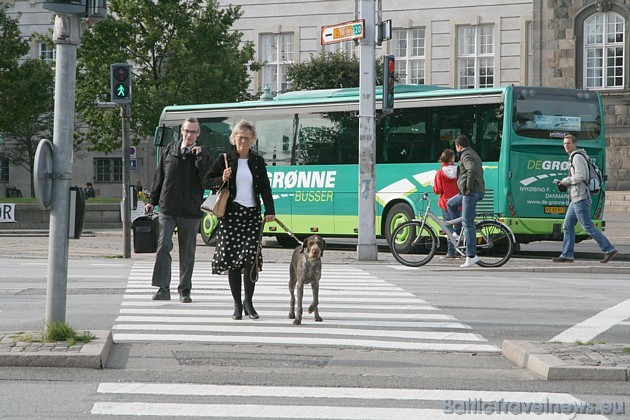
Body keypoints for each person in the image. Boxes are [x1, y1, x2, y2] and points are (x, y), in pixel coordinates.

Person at [203, 120, 275, 320]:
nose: (243, 140)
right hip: (230, 216)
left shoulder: (258, 162)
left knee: (250, 261)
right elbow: (206, 181)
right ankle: (236, 305)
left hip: (251, 216)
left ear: (253, 140)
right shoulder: (224, 159)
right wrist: (222, 178)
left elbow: (265, 188)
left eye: (247, 137)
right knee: (234, 263)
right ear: (234, 138)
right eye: (239, 136)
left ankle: (248, 303)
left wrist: (270, 210)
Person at [146, 117, 212, 303]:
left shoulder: (204, 154)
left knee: (187, 251)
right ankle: (162, 288)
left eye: (193, 132)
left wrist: (199, 158)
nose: (189, 135)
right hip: (168, 206)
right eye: (186, 131)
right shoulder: (170, 149)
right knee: (163, 246)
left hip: (190, 210)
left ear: (198, 134)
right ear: (181, 131)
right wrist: (153, 200)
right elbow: (160, 176)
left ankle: (184, 290)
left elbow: (207, 179)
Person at [552, 134, 618, 264]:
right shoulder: (575, 156)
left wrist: (565, 181)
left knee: (587, 226)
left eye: (568, 143)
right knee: (568, 225)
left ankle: (609, 249)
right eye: (564, 143)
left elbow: (580, 176)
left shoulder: (577, 157)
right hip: (575, 197)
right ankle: (567, 255)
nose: (566, 146)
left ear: (575, 144)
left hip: (580, 197)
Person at [446, 135, 485, 268]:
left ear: (458, 146)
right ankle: (457, 232)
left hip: (471, 192)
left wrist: (467, 188)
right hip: (470, 192)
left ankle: (471, 256)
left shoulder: (466, 155)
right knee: (451, 203)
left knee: (468, 224)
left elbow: (471, 170)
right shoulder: (471, 152)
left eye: (455, 146)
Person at [433, 148, 460, 258]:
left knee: (448, 228)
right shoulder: (458, 170)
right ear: (452, 158)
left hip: (445, 203)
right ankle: (460, 249)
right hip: (458, 202)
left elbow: (438, 190)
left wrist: (433, 186)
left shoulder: (439, 173)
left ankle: (450, 251)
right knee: (459, 227)